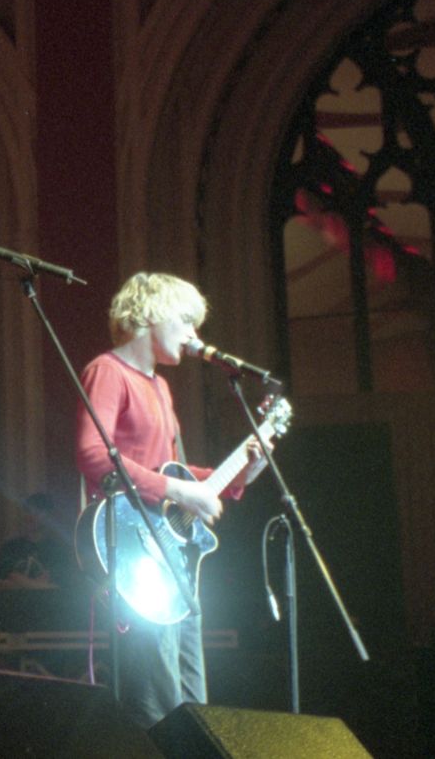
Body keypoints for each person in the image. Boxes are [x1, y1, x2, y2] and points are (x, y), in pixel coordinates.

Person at [74, 272, 268, 728]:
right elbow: (93, 455)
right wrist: (181, 490)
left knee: (194, 703)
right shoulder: (108, 371)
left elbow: (174, 472)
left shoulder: (160, 387)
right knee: (156, 701)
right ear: (150, 314)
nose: (193, 334)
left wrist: (244, 469)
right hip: (134, 553)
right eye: (185, 321)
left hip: (171, 558)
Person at [0, 492, 80, 591]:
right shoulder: (10, 548)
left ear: (48, 516)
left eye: (37, 512)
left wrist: (19, 581)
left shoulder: (58, 551)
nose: (31, 516)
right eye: (28, 511)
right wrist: (39, 585)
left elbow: (61, 589)